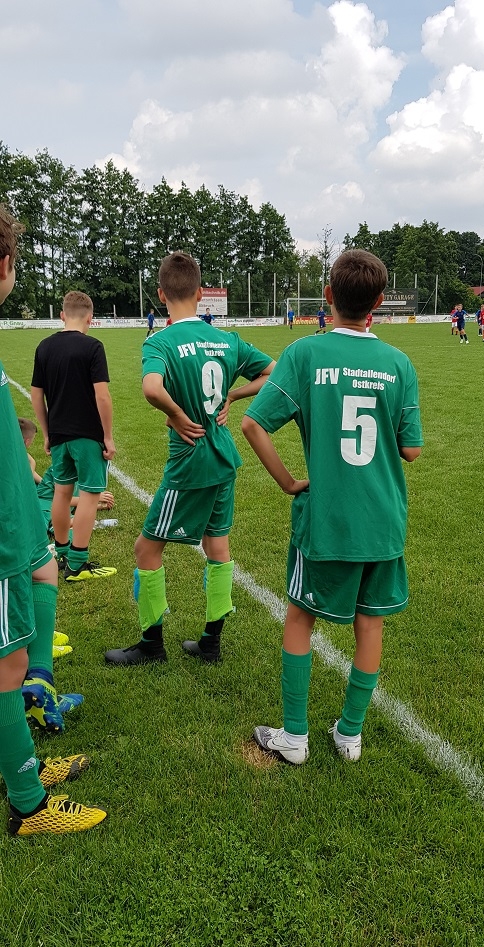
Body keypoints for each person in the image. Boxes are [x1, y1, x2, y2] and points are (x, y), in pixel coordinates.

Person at [241, 249, 423, 765]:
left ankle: (294, 738)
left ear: (327, 297)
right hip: (383, 521)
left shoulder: (305, 353)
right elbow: (411, 449)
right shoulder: (399, 364)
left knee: (300, 616)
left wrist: (287, 483)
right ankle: (350, 735)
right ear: (379, 303)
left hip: (326, 519)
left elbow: (253, 424)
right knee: (371, 624)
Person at [105, 250, 275, 666]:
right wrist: (233, 394)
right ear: (200, 294)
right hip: (224, 459)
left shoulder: (160, 341)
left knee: (146, 549)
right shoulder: (227, 340)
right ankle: (211, 642)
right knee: (217, 545)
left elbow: (151, 388)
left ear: (161, 294)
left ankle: (151, 645)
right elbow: (274, 370)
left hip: (190, 462)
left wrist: (177, 415)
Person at [0, 205, 106, 835]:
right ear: (5, 265)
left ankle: (35, 707)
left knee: (46, 574)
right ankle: (27, 803)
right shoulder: (85, 349)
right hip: (3, 530)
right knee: (3, 668)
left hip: (20, 515)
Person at [31, 291, 117, 582]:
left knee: (62, 493)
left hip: (59, 435)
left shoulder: (44, 347)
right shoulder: (93, 347)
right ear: (90, 319)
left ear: (62, 315)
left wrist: (47, 433)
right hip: (87, 435)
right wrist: (108, 437)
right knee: (90, 496)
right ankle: (77, 564)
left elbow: (36, 396)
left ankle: (62, 554)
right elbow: (102, 396)